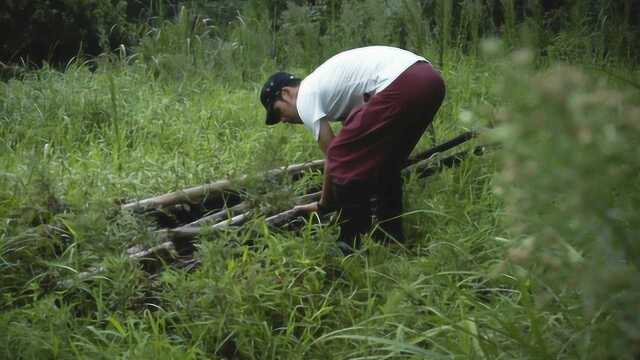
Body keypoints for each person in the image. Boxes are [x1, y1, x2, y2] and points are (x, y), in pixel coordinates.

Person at [260, 46, 445, 253]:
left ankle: (349, 241)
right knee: (385, 164)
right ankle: (391, 237)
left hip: (403, 82)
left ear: (286, 93)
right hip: (430, 80)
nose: (283, 120)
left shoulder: (305, 96)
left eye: (277, 113)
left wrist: (324, 205)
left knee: (342, 155)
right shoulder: (329, 87)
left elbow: (334, 155)